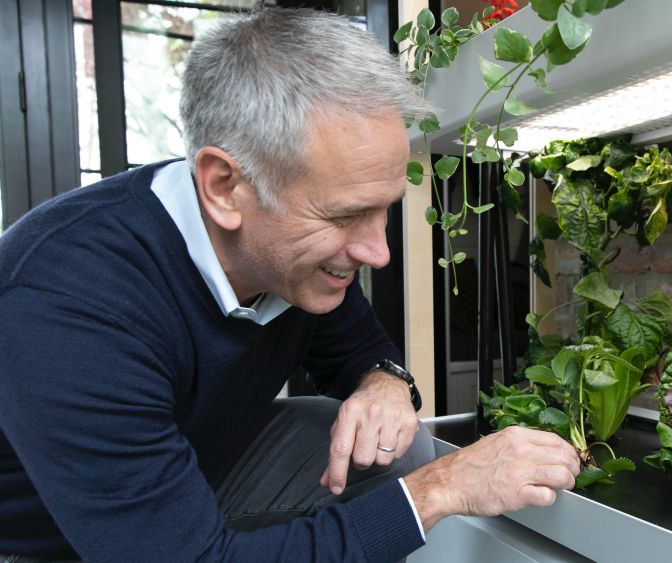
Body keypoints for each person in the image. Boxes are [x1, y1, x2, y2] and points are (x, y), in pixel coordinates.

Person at [0, 8, 579, 562]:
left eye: (383, 210)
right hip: (45, 544)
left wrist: (384, 383)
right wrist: (443, 489)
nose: (376, 252)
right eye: (345, 215)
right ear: (224, 187)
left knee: (393, 449)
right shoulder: (68, 305)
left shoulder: (288, 260)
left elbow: (357, 348)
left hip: (191, 477)